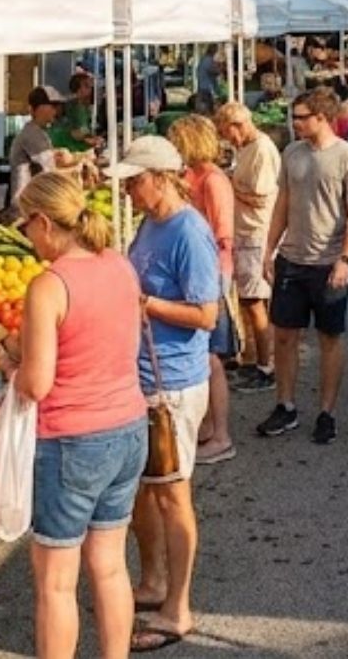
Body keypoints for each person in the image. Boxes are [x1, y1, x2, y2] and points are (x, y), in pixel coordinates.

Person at [7, 172, 145, 659]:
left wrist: (13, 364)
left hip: (72, 440)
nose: (26, 236)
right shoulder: (119, 265)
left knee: (56, 584)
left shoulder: (49, 285)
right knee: (110, 565)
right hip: (128, 426)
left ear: (44, 222)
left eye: (26, 226)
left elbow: (37, 383)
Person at [109, 137, 221, 653]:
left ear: (161, 177)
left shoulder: (188, 232)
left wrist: (146, 303)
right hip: (143, 376)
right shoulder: (150, 223)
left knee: (173, 494)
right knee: (144, 489)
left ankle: (179, 606)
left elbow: (206, 314)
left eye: (135, 180)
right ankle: (153, 580)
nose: (129, 189)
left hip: (172, 382)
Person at [257, 89, 348, 445]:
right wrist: (269, 249)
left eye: (302, 116)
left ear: (322, 117)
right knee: (285, 334)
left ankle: (327, 411)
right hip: (293, 258)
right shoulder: (292, 153)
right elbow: (283, 204)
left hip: (329, 261)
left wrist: (347, 258)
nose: (295, 122)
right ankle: (285, 405)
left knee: (329, 338)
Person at [169, 115, 238, 467]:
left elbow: (223, 235)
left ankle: (222, 435)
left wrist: (198, 261)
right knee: (205, 357)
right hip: (199, 275)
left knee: (212, 359)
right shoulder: (193, 177)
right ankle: (210, 425)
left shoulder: (213, 180)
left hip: (212, 275)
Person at [219, 102, 281, 394]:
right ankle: (253, 356)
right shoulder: (245, 149)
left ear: (238, 126)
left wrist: (228, 186)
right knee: (246, 300)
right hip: (244, 232)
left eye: (227, 133)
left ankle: (267, 366)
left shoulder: (262, 150)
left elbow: (260, 197)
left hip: (257, 233)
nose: (227, 139)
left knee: (256, 301)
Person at [10, 87, 81, 204]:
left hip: (32, 201)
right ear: (39, 108)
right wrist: (78, 169)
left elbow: (48, 162)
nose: (56, 111)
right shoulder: (32, 134)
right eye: (53, 106)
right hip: (26, 205)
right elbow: (49, 173)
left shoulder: (38, 132)